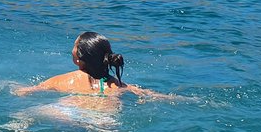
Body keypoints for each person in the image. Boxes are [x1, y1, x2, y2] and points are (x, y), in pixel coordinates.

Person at [15, 32, 172, 99]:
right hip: (106, 119)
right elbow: (151, 95)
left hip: (73, 112)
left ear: (78, 58)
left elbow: (26, 91)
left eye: (75, 46)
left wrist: (16, 89)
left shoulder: (63, 80)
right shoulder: (119, 86)